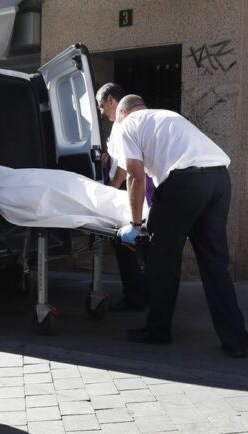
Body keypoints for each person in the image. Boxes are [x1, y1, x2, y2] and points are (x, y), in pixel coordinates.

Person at [111, 95, 248, 358]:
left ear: (122, 113)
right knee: (214, 263)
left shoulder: (128, 125)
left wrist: (136, 224)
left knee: (162, 259)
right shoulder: (167, 114)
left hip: (184, 182)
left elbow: (135, 177)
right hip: (219, 179)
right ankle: (236, 340)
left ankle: (158, 330)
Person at [95, 82, 149, 311]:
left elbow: (128, 166)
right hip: (134, 192)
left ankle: (135, 296)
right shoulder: (128, 123)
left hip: (128, 195)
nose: (101, 112)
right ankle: (139, 293)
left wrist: (112, 186)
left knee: (126, 243)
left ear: (110, 101)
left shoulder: (122, 123)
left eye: (100, 106)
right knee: (134, 246)